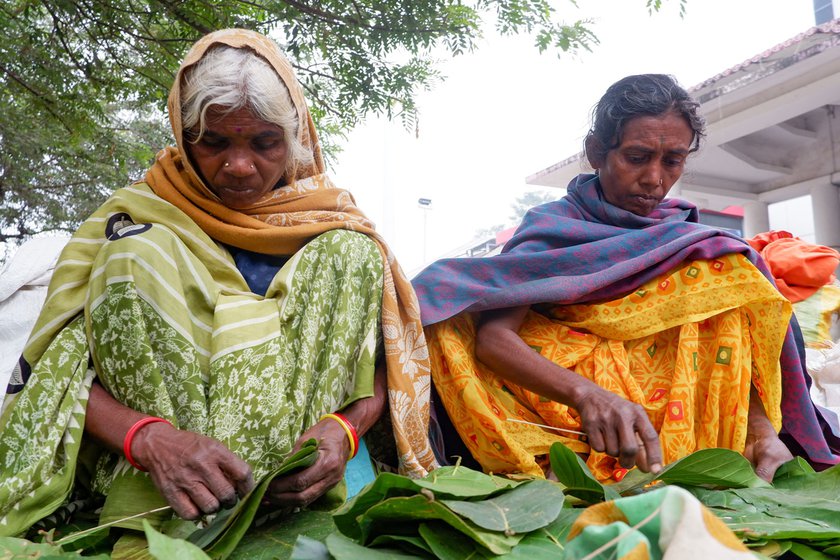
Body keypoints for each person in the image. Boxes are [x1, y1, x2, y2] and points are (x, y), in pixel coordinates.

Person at [0, 29, 437, 538]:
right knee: (134, 253)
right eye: (214, 142)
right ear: (185, 138)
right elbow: (59, 366)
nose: (239, 166)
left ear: (294, 140)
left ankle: (261, 499)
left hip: (291, 490)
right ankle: (191, 504)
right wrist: (150, 440)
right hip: (157, 487)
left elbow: (381, 366)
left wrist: (345, 430)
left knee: (353, 253)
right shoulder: (136, 218)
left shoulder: (330, 227)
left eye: (264, 143)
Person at [414, 74, 840, 483]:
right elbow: (493, 338)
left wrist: (761, 429)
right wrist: (587, 394)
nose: (655, 179)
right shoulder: (554, 230)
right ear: (597, 151)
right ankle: (554, 463)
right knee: (446, 330)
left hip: (688, 427)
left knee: (734, 272)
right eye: (637, 158)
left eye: (672, 161)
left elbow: (741, 342)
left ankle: (732, 448)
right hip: (570, 418)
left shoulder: (693, 241)